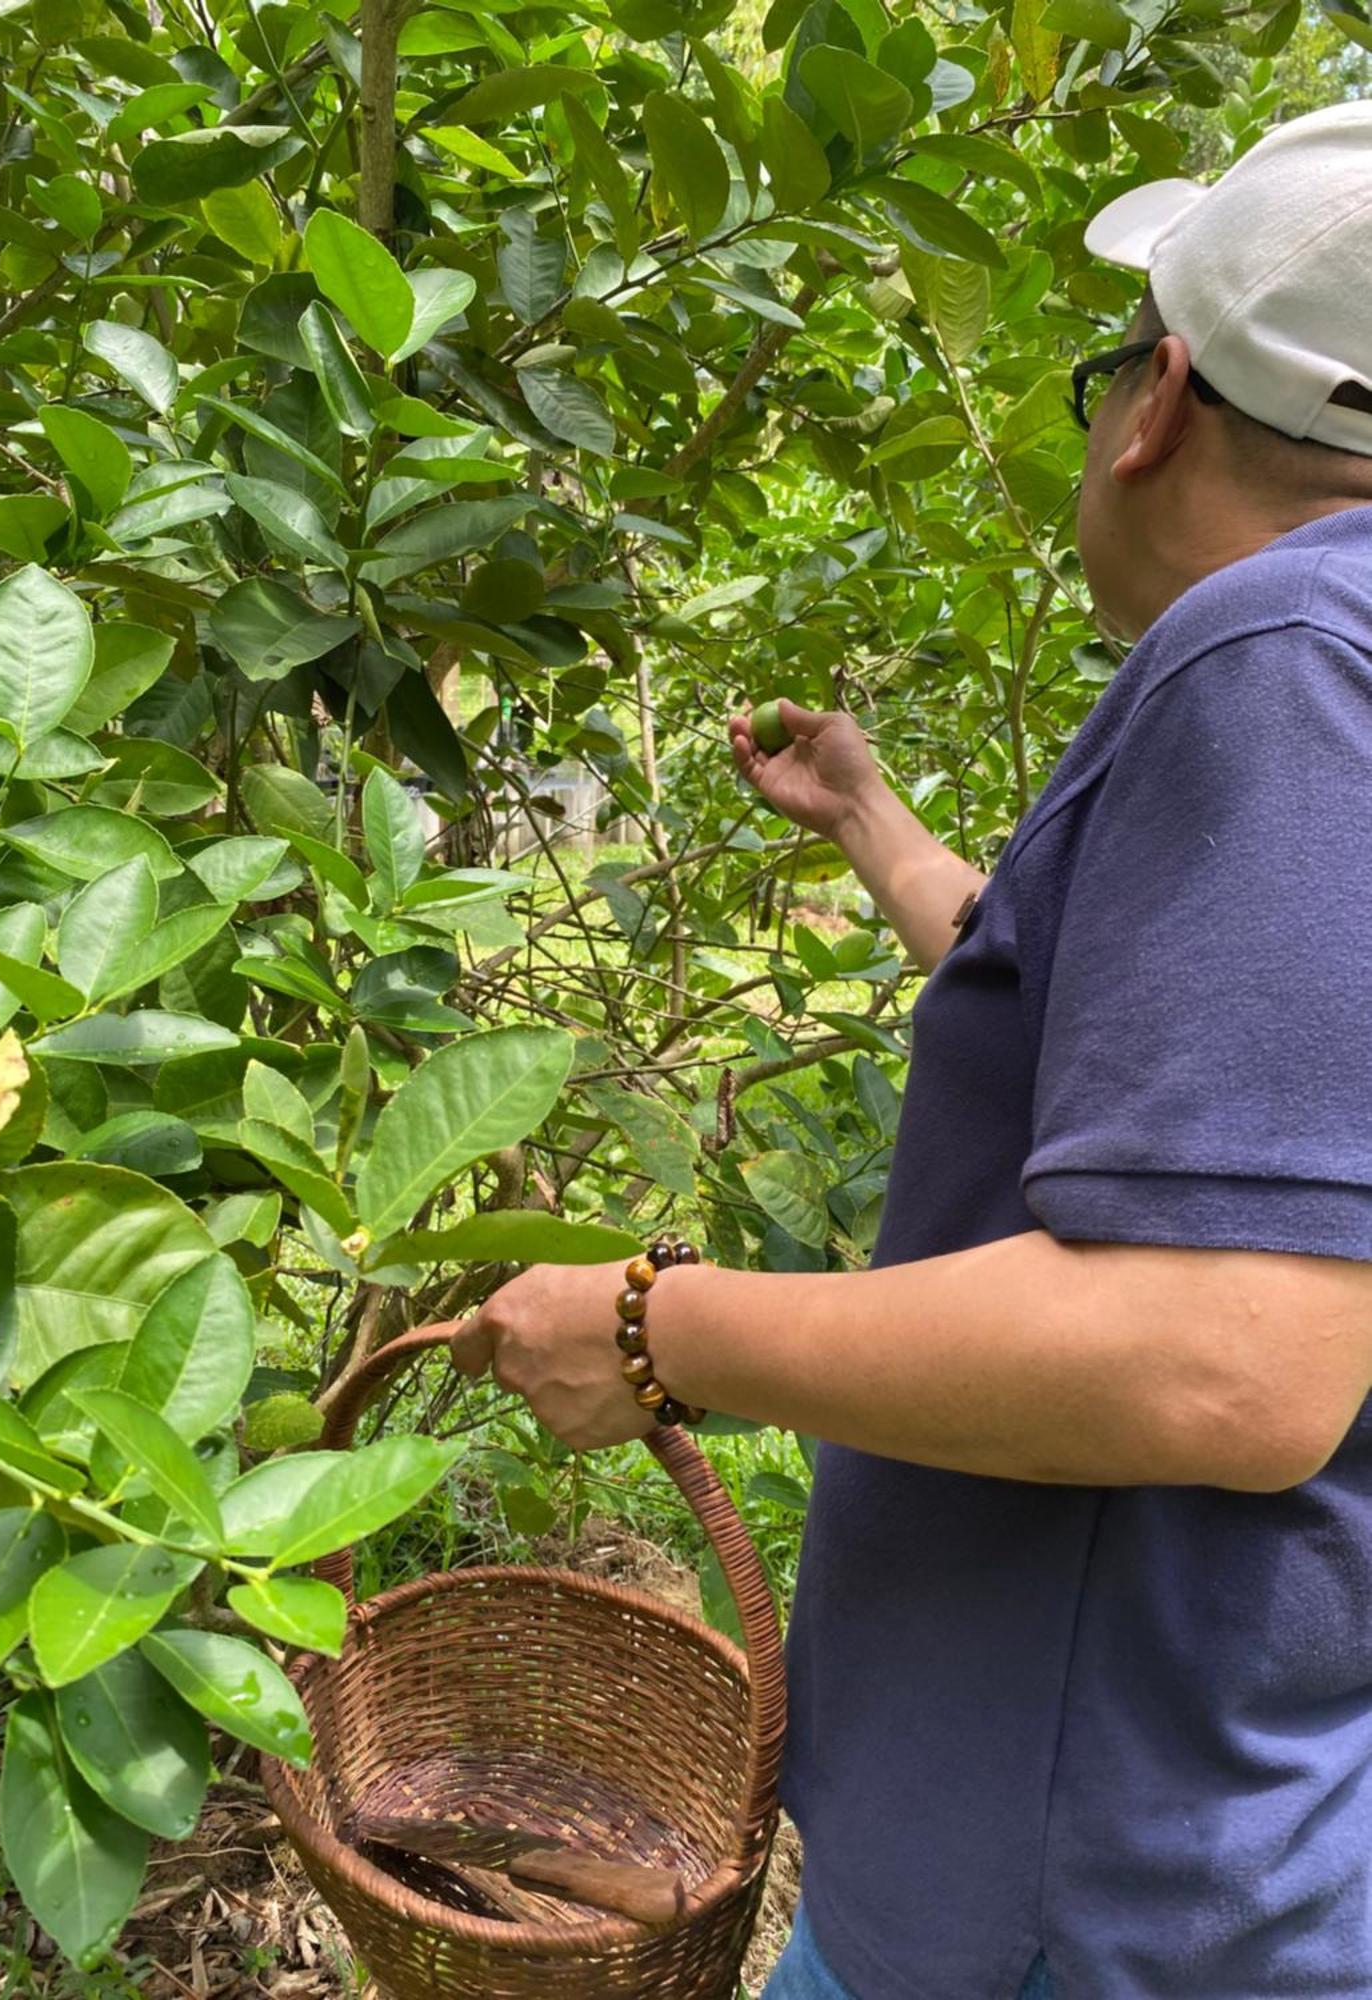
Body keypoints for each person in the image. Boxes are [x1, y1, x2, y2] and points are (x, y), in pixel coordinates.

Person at [452, 103, 1372, 1997]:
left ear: (1158, 399)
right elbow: (1187, 1089)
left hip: (1082, 1887)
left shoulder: (1275, 646)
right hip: (1240, 1829)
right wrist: (878, 827)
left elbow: (1227, 1350)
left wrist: (654, 1327)